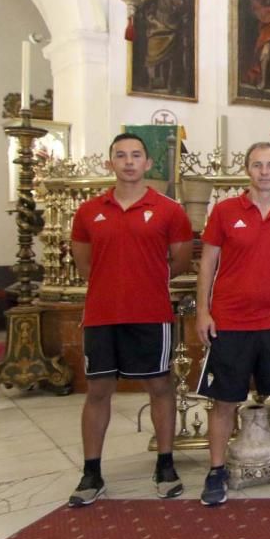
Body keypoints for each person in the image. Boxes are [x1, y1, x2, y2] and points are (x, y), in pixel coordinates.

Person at [67, 133, 193, 506]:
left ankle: (165, 464)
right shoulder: (89, 211)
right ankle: (91, 472)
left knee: (160, 387)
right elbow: (84, 264)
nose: (128, 161)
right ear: (110, 164)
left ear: (147, 163)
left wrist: (143, 282)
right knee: (98, 392)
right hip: (102, 315)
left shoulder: (169, 210)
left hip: (150, 313)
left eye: (136, 155)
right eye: (120, 155)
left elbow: (181, 261)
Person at [196, 142, 270, 505]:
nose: (265, 171)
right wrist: (203, 310)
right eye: (258, 165)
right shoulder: (225, 211)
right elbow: (207, 264)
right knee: (224, 400)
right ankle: (216, 470)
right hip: (230, 320)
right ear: (248, 169)